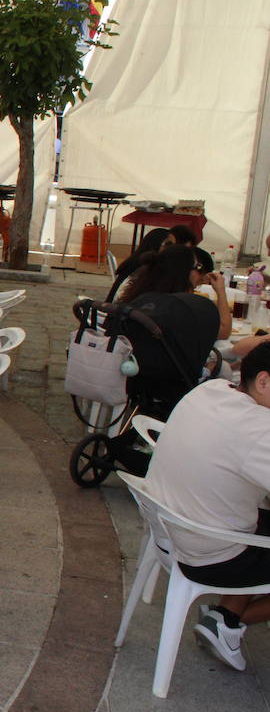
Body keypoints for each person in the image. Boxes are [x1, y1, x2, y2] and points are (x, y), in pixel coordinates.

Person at [144, 344, 270, 671]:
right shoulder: (260, 428)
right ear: (264, 382)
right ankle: (232, 621)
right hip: (206, 554)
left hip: (167, 530)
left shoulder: (211, 389)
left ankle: (226, 618)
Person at [117, 245, 227, 404]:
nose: (200, 273)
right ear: (184, 272)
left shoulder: (141, 296)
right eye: (198, 267)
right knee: (225, 368)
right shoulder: (177, 308)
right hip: (163, 381)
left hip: (130, 369)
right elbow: (224, 331)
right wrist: (221, 291)